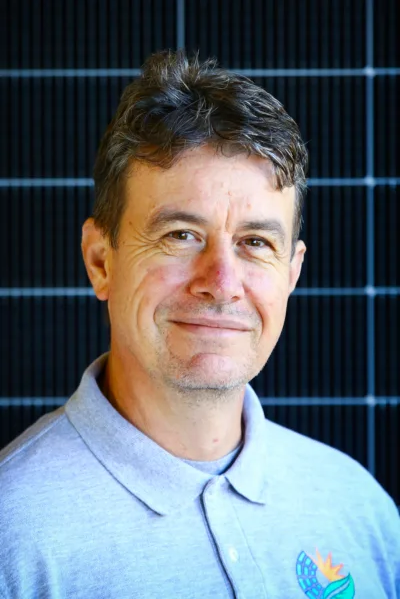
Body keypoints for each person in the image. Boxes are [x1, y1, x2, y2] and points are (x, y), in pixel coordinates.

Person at [0, 50, 399, 599]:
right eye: (180, 235)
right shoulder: (13, 534)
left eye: (255, 242)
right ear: (100, 261)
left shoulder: (360, 509)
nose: (222, 282)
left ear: (291, 273)